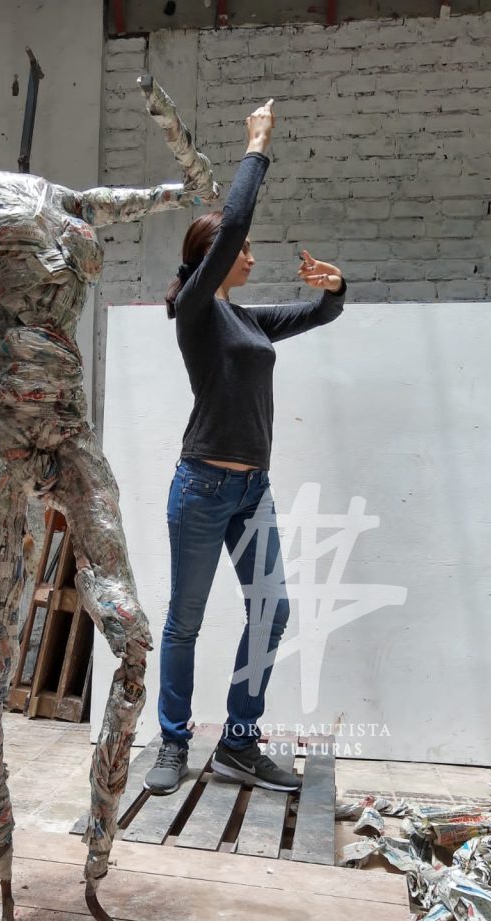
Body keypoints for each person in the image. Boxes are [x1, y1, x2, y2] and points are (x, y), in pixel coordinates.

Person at [0, 0, 218, 921]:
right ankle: (6, 882)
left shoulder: (71, 202)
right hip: (4, 430)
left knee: (130, 639)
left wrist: (190, 172)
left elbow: (169, 197)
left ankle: (96, 863)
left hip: (71, 431)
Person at [144, 99, 346, 796]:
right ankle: (173, 742)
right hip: (201, 487)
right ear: (214, 259)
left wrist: (335, 289)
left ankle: (237, 742)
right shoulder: (196, 311)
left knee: (272, 609)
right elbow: (231, 225)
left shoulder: (247, 319)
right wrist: (258, 146)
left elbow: (319, 313)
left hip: (251, 490)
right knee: (186, 622)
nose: (252, 256)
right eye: (244, 250)